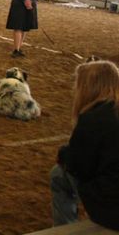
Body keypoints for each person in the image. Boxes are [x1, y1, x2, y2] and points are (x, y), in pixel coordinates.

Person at [50, 60, 119, 230]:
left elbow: (80, 167)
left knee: (58, 175)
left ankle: (64, 228)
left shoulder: (92, 118)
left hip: (113, 209)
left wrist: (63, 154)